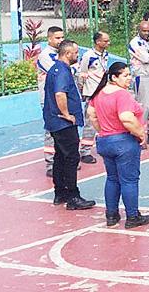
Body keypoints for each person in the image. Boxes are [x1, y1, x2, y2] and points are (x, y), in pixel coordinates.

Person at [86, 61, 149, 229]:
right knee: (129, 180)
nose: (129, 78)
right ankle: (132, 216)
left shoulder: (99, 93)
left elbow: (92, 114)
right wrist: (140, 133)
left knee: (112, 178)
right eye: (125, 75)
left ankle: (111, 214)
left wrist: (103, 130)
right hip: (123, 141)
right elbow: (126, 118)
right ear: (114, 77)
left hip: (105, 141)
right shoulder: (122, 95)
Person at [43, 40, 95, 211]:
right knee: (71, 157)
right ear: (67, 54)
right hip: (62, 122)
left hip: (54, 121)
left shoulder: (56, 69)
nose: (77, 55)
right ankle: (73, 196)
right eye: (75, 52)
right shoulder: (62, 71)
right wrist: (66, 114)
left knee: (60, 156)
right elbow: (60, 94)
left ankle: (60, 192)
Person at [76, 31, 111, 164]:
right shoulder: (88, 56)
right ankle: (85, 152)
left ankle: (105, 144)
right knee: (90, 122)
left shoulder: (105, 54)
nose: (108, 43)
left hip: (102, 91)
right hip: (91, 92)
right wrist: (83, 91)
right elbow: (82, 74)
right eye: (105, 41)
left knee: (105, 119)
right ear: (98, 42)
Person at [37, 26, 65, 176]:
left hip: (62, 97)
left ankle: (63, 160)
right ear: (49, 39)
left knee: (64, 129)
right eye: (57, 38)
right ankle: (50, 164)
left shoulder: (62, 54)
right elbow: (58, 73)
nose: (60, 40)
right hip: (49, 99)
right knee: (51, 130)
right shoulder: (45, 56)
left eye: (62, 37)